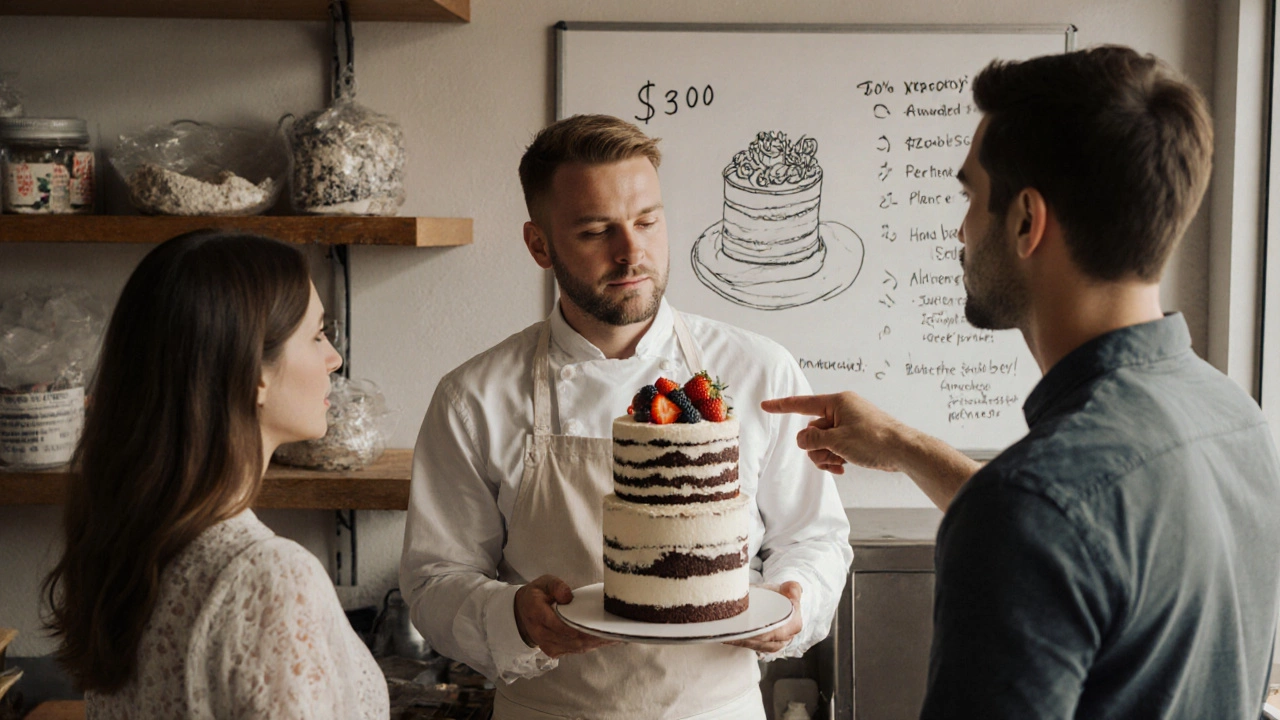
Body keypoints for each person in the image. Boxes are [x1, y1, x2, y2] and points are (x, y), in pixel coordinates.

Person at [764, 45, 1280, 718]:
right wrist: (901, 445)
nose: (960, 229)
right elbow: (1087, 543)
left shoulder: (1031, 508)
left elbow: (1042, 523)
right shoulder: (1238, 421)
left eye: (971, 196)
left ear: (1027, 221)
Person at [400, 114, 852, 719]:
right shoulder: (473, 396)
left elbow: (814, 536)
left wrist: (796, 606)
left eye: (647, 221)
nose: (631, 251)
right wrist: (514, 618)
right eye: (595, 231)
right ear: (540, 245)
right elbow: (434, 579)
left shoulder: (759, 372)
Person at [42, 230, 388, 719]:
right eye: (315, 335)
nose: (333, 358)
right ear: (254, 373)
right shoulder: (269, 578)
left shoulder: (132, 548)